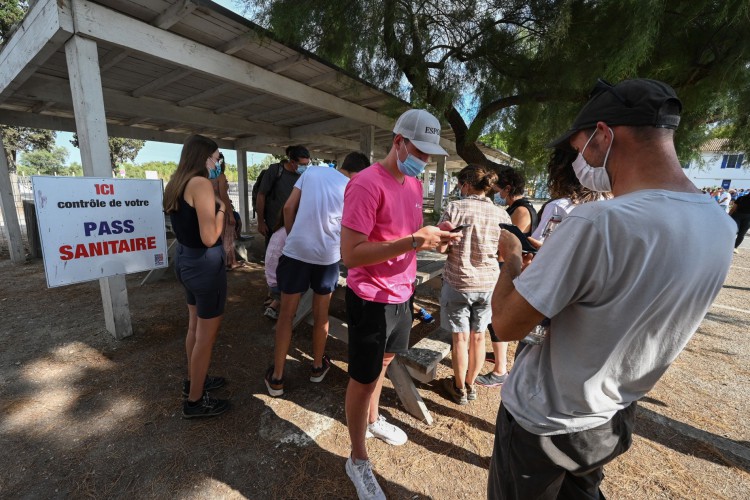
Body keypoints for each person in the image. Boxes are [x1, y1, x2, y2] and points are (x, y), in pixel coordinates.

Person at [487, 78, 736, 499]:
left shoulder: (597, 223)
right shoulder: (720, 225)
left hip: (547, 419)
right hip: (613, 415)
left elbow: (506, 325)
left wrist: (510, 258)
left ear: (603, 134)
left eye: (578, 146)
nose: (577, 159)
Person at [341, 109, 460, 500]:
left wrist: (432, 236)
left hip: (402, 292)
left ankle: (373, 420)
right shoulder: (365, 184)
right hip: (371, 297)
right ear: (398, 142)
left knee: (386, 363)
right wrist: (413, 242)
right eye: (419, 152)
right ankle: (357, 458)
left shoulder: (411, 184)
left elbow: (406, 234)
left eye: (429, 155)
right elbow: (351, 255)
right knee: (362, 379)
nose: (424, 161)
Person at [264, 152, 371, 397]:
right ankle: (316, 367)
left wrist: (293, 237)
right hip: (327, 258)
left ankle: (278, 377)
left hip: (296, 253)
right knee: (321, 315)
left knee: (286, 315)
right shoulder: (354, 187)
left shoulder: (312, 172)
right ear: (360, 172)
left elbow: (289, 207)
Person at [163, 135, 231, 419]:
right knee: (206, 336)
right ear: (204, 157)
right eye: (216, 157)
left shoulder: (177, 182)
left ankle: (195, 380)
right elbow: (209, 236)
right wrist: (224, 208)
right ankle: (195, 401)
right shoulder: (200, 183)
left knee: (194, 327)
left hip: (186, 261)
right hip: (205, 265)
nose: (218, 163)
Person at [437, 164, 510, 405]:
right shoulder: (502, 214)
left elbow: (441, 247)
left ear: (466, 185)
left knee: (460, 338)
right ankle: (470, 384)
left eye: (460, 184)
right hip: (488, 283)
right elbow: (504, 252)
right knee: (479, 337)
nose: (459, 188)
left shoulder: (454, 208)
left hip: (458, 280)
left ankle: (459, 388)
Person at [477, 167, 539, 388]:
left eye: (498, 189)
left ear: (508, 188)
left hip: (509, 268)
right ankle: (498, 360)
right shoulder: (516, 207)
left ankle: (500, 370)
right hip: (509, 266)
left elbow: (508, 244)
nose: (496, 193)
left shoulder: (521, 210)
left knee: (497, 318)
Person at [255, 145, 311, 246]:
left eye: (307, 164)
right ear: (292, 162)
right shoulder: (275, 170)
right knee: (274, 255)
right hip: (274, 225)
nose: (305, 167)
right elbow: (261, 195)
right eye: (302, 164)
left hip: (295, 225)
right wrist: (261, 222)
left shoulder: (304, 175)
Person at [211, 153, 242, 270]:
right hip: (222, 212)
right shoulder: (221, 176)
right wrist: (230, 214)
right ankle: (231, 261)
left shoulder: (203, 177)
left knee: (218, 237)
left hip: (211, 211)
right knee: (228, 236)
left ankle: (222, 261)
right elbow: (224, 197)